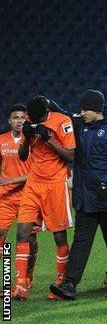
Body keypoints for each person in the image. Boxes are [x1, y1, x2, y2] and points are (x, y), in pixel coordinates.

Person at [50, 89, 107, 300]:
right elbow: (65, 115)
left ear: (98, 109)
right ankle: (70, 284)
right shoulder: (81, 124)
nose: (82, 112)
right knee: (81, 243)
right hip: (86, 197)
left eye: (86, 109)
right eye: (81, 108)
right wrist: (49, 103)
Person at [12, 96, 75, 301]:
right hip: (34, 183)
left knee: (59, 236)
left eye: (39, 117)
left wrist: (49, 139)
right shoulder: (30, 120)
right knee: (23, 232)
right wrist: (28, 138)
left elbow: (71, 156)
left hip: (56, 184)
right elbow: (22, 156)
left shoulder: (62, 121)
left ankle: (60, 281)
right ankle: (21, 284)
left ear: (47, 111)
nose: (34, 119)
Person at [0, 104, 39, 289]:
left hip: (28, 196)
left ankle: (26, 277)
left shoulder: (32, 141)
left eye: (23, 118)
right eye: (16, 117)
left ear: (27, 121)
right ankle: (9, 278)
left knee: (29, 239)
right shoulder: (1, 140)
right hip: (5, 198)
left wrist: (10, 181)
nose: (19, 121)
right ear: (10, 120)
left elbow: (37, 172)